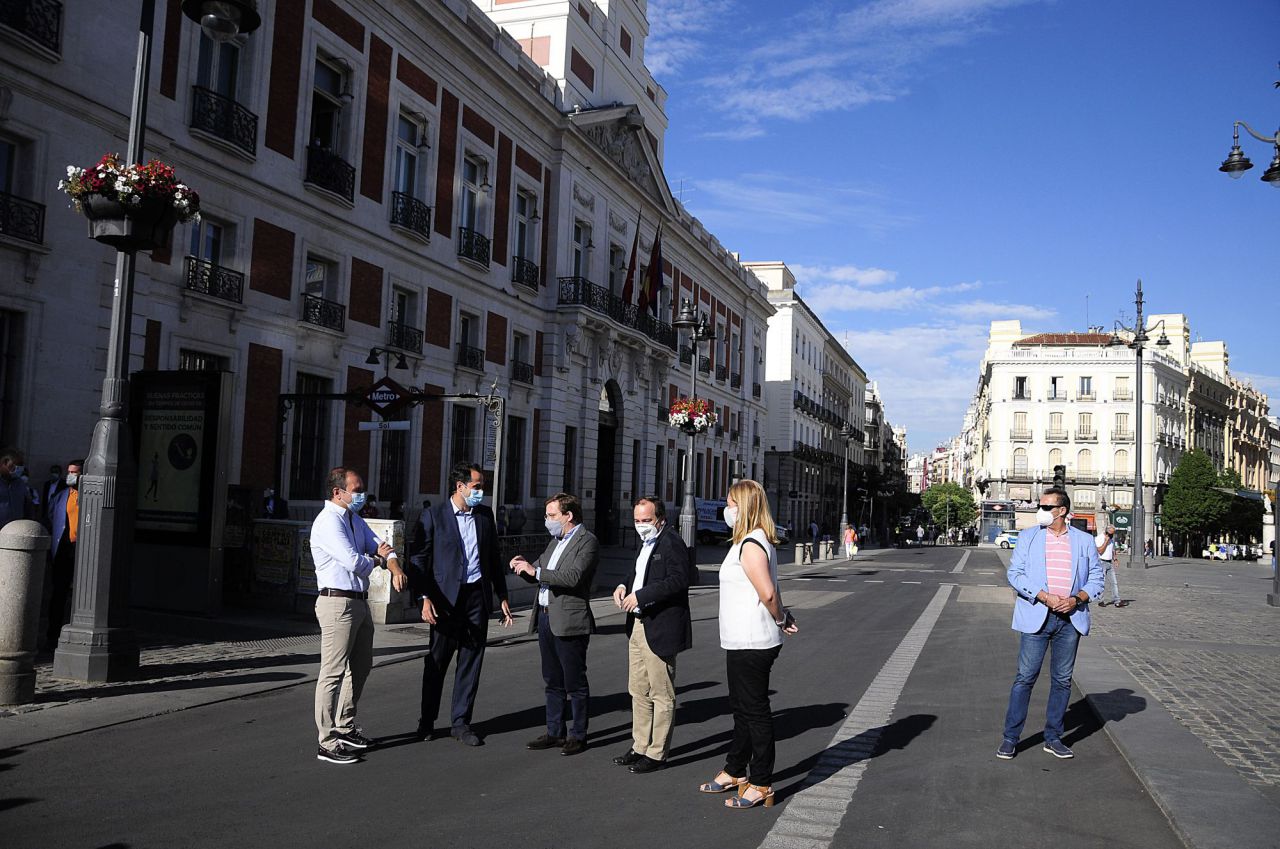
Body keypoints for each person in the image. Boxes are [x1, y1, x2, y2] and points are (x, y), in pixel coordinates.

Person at [698, 480, 799, 809]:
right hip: (741, 639)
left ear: (744, 505)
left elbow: (767, 592)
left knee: (754, 712)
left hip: (753, 641)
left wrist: (781, 618)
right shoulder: (746, 539)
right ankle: (733, 770)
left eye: (730, 503)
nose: (725, 509)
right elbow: (771, 588)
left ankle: (761, 782)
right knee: (742, 709)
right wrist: (783, 615)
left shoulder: (752, 543)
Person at [407, 462, 513, 746]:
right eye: (477, 486)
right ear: (460, 486)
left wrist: (501, 595)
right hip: (444, 600)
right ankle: (427, 721)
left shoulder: (484, 515)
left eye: (481, 487)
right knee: (437, 662)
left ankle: (461, 723)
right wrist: (423, 598)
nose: (481, 492)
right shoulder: (433, 516)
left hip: (476, 597)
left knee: (471, 660)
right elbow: (418, 559)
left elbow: (493, 556)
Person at [997, 487, 1103, 761]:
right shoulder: (1029, 537)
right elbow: (1015, 574)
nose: (1040, 511)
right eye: (1040, 506)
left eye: (1045, 507)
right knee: (1025, 678)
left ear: (1062, 511)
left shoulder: (1083, 540)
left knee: (1062, 681)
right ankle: (1010, 738)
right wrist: (1043, 596)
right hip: (1037, 616)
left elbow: (1096, 578)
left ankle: (1053, 737)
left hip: (1070, 619)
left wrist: (1076, 599)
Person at [310, 466, 406, 764]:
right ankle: (326, 742)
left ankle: (345, 725)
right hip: (336, 603)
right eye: (356, 488)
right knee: (332, 673)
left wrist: (393, 565)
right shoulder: (328, 522)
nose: (361, 494)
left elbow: (383, 546)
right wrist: (380, 560)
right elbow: (355, 562)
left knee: (362, 665)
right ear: (338, 492)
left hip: (359, 602)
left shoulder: (353, 518)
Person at [511, 492, 599, 756]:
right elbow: (538, 568)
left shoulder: (587, 541)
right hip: (546, 616)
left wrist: (535, 571)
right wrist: (522, 567)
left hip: (570, 620)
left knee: (575, 682)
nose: (547, 521)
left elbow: (572, 577)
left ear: (568, 515)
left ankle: (578, 735)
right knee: (552, 680)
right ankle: (554, 731)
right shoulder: (555, 542)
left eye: (551, 516)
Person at [612, 495, 692, 774]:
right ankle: (639, 746)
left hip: (660, 626)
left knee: (661, 693)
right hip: (637, 624)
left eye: (646, 521)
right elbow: (636, 572)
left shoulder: (672, 543)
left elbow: (681, 579)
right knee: (638, 690)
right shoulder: (646, 543)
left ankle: (657, 753)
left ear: (660, 519)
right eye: (636, 521)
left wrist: (642, 596)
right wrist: (622, 586)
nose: (641, 526)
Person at [44, 460, 82, 647]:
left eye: (74, 472)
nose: (70, 475)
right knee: (58, 592)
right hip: (62, 548)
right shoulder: (61, 496)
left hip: (80, 549)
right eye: (69, 471)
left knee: (78, 595)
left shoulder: (87, 495)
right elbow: (51, 516)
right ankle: (53, 634)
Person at [0, 449, 32, 529]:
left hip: (15, 533)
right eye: (18, 464)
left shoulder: (20, 484)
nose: (21, 468)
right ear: (6, 462)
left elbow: (28, 506)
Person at [1095, 525, 1125, 608]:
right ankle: (1100, 600)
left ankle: (1117, 601)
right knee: (1102, 582)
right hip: (1101, 562)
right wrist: (1106, 542)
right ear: (1106, 532)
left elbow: (1112, 549)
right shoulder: (1099, 538)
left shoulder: (1111, 539)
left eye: (1113, 533)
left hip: (1109, 562)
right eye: (1110, 533)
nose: (1112, 535)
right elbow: (1100, 551)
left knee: (1114, 582)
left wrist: (1115, 559)